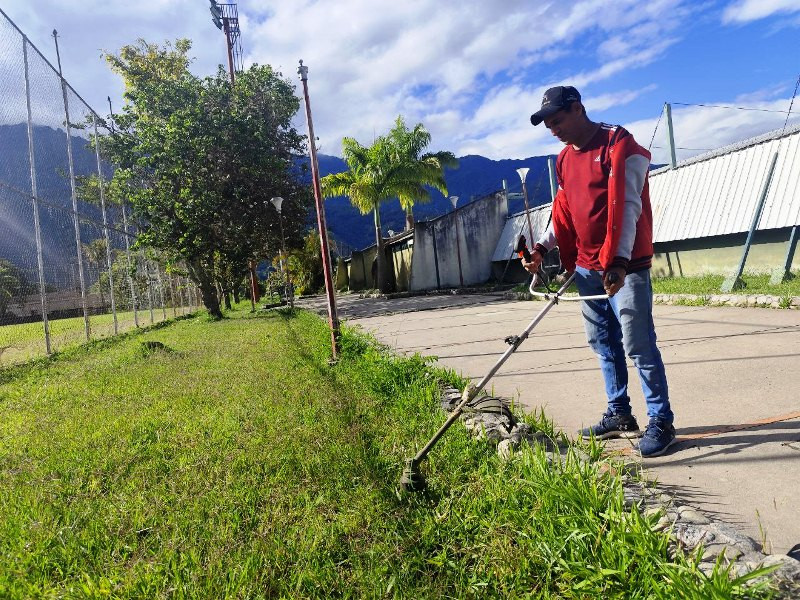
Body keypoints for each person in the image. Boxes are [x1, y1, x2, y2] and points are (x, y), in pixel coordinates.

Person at [523, 85, 675, 457]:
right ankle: (619, 413)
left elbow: (628, 207)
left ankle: (661, 420)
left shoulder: (620, 146)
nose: (553, 129)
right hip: (588, 269)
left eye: (557, 120)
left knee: (638, 344)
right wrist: (543, 248)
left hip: (627, 267)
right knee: (602, 343)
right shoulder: (563, 160)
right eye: (547, 124)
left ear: (578, 109)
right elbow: (564, 213)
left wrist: (619, 262)